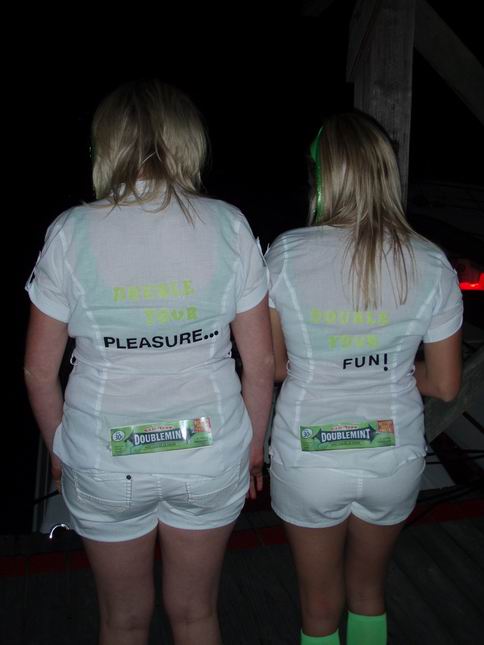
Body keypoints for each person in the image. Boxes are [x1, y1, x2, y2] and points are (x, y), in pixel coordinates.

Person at [24, 79, 274, 645]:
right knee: (196, 614)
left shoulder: (71, 232)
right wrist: (254, 450)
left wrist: (61, 449)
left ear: (107, 144)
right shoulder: (229, 225)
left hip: (105, 459)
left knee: (123, 621)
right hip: (209, 453)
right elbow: (259, 363)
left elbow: (39, 371)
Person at [265, 111, 462, 645]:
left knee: (318, 605)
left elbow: (275, 366)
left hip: (310, 455)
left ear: (322, 176)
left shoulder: (286, 254)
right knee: (369, 592)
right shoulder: (431, 262)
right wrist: (388, 365)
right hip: (392, 452)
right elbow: (446, 384)